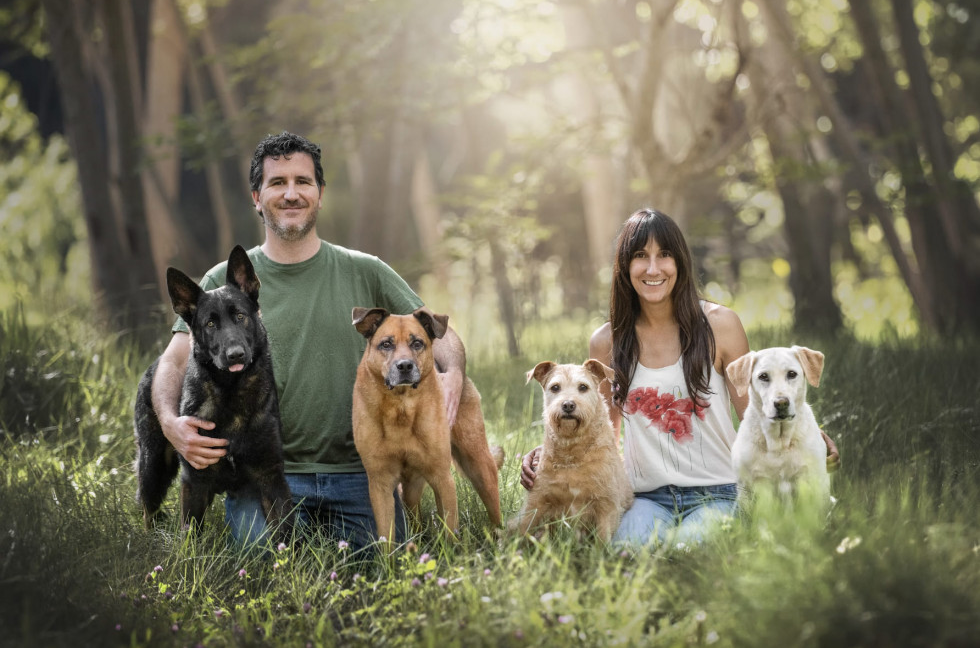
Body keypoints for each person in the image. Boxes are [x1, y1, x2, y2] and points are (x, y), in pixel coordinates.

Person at [150, 131, 466, 551]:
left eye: (303, 182)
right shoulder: (221, 284)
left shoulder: (365, 270)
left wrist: (453, 374)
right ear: (256, 197)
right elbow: (172, 362)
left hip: (360, 471)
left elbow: (442, 336)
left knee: (381, 567)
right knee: (262, 566)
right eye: (277, 183)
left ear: (320, 193)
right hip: (261, 471)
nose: (291, 193)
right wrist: (171, 424)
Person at [520, 208, 839, 547]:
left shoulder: (720, 324)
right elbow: (601, 429)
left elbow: (755, 414)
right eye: (641, 256)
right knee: (628, 553)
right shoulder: (606, 341)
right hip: (645, 496)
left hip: (720, 490)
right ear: (625, 266)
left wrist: (806, 437)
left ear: (680, 262)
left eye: (665, 255)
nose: (653, 268)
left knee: (685, 551)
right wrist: (554, 450)